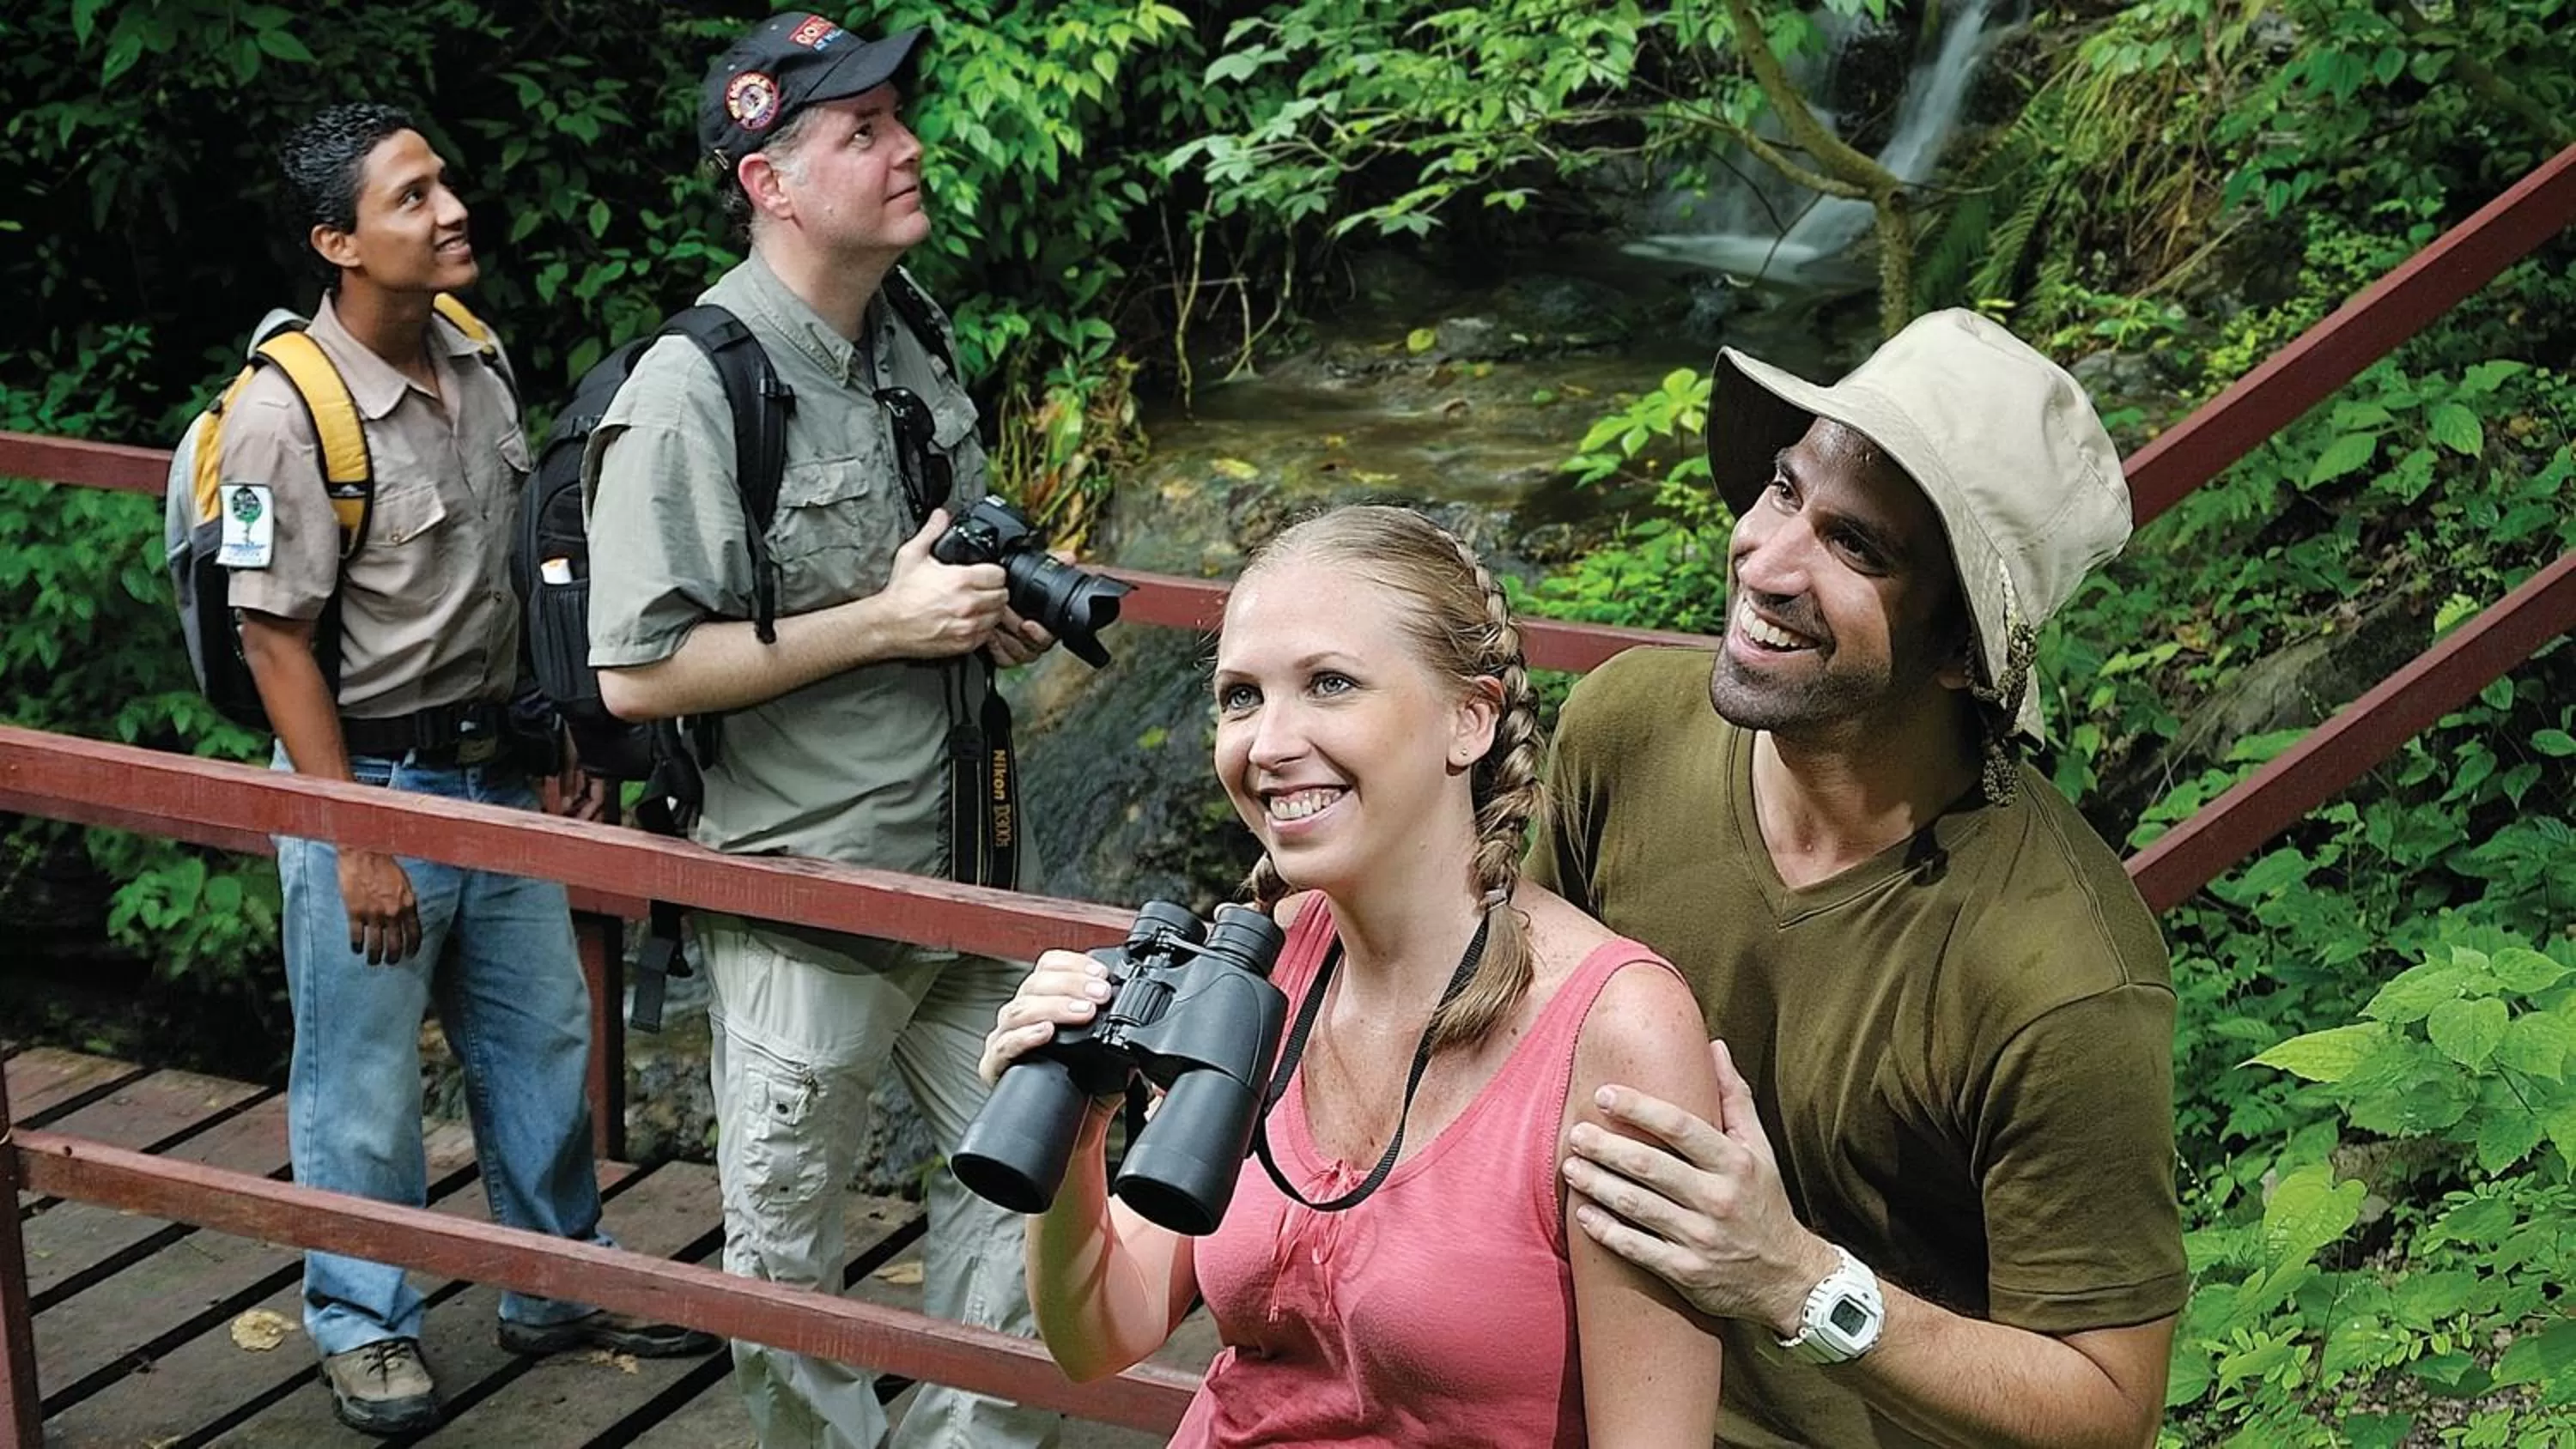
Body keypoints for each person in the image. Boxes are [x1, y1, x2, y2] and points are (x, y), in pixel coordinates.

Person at [1532, 309, 2189, 1448]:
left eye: (1858, 548)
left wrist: (1794, 1281)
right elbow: (1504, 1024)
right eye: (1785, 492)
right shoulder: (1622, 730)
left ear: (1958, 653)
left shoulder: (2060, 976)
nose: (1768, 562)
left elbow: (2108, 1411)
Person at [981, 505, 1726, 1446]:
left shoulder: (1619, 1028)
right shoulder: (1269, 956)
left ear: (1471, 718)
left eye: (1329, 684)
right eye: (1241, 696)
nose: (1268, 741)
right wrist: (1077, 1126)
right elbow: (1099, 1333)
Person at [581, 15, 1060, 1449]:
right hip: (806, 894)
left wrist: (988, 611)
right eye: (861, 132)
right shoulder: (691, 390)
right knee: (790, 1273)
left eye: (898, 116)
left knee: (1042, 1185)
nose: (907, 146)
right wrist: (888, 624)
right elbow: (637, 672)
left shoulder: (912, 336)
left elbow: (927, 565)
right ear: (772, 182)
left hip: (970, 873)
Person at [227, 103, 715, 1437]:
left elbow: (516, 574)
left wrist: (563, 733)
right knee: (362, 1081)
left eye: (444, 180)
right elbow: (271, 641)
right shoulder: (284, 418)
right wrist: (347, 836)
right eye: (410, 196)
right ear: (338, 242)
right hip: (370, 786)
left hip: (496, 774)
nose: (450, 209)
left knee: (542, 1045)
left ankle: (553, 1284)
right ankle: (363, 1325)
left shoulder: (477, 357)